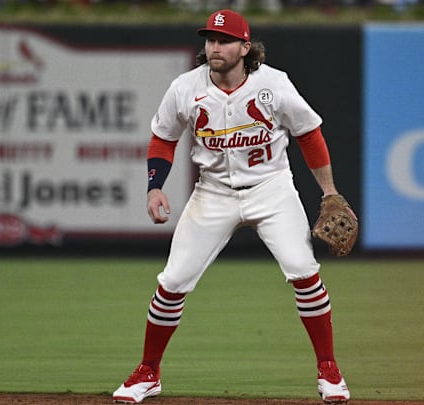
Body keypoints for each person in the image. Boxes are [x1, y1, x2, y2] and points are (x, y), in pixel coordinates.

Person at [112, 9, 354, 405]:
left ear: (245, 47)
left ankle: (329, 369)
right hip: (213, 193)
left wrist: (328, 192)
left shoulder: (273, 85)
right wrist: (155, 188)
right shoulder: (185, 87)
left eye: (224, 41)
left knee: (303, 271)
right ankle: (148, 372)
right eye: (209, 40)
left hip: (271, 189)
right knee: (172, 282)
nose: (214, 47)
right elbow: (162, 139)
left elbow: (309, 134)